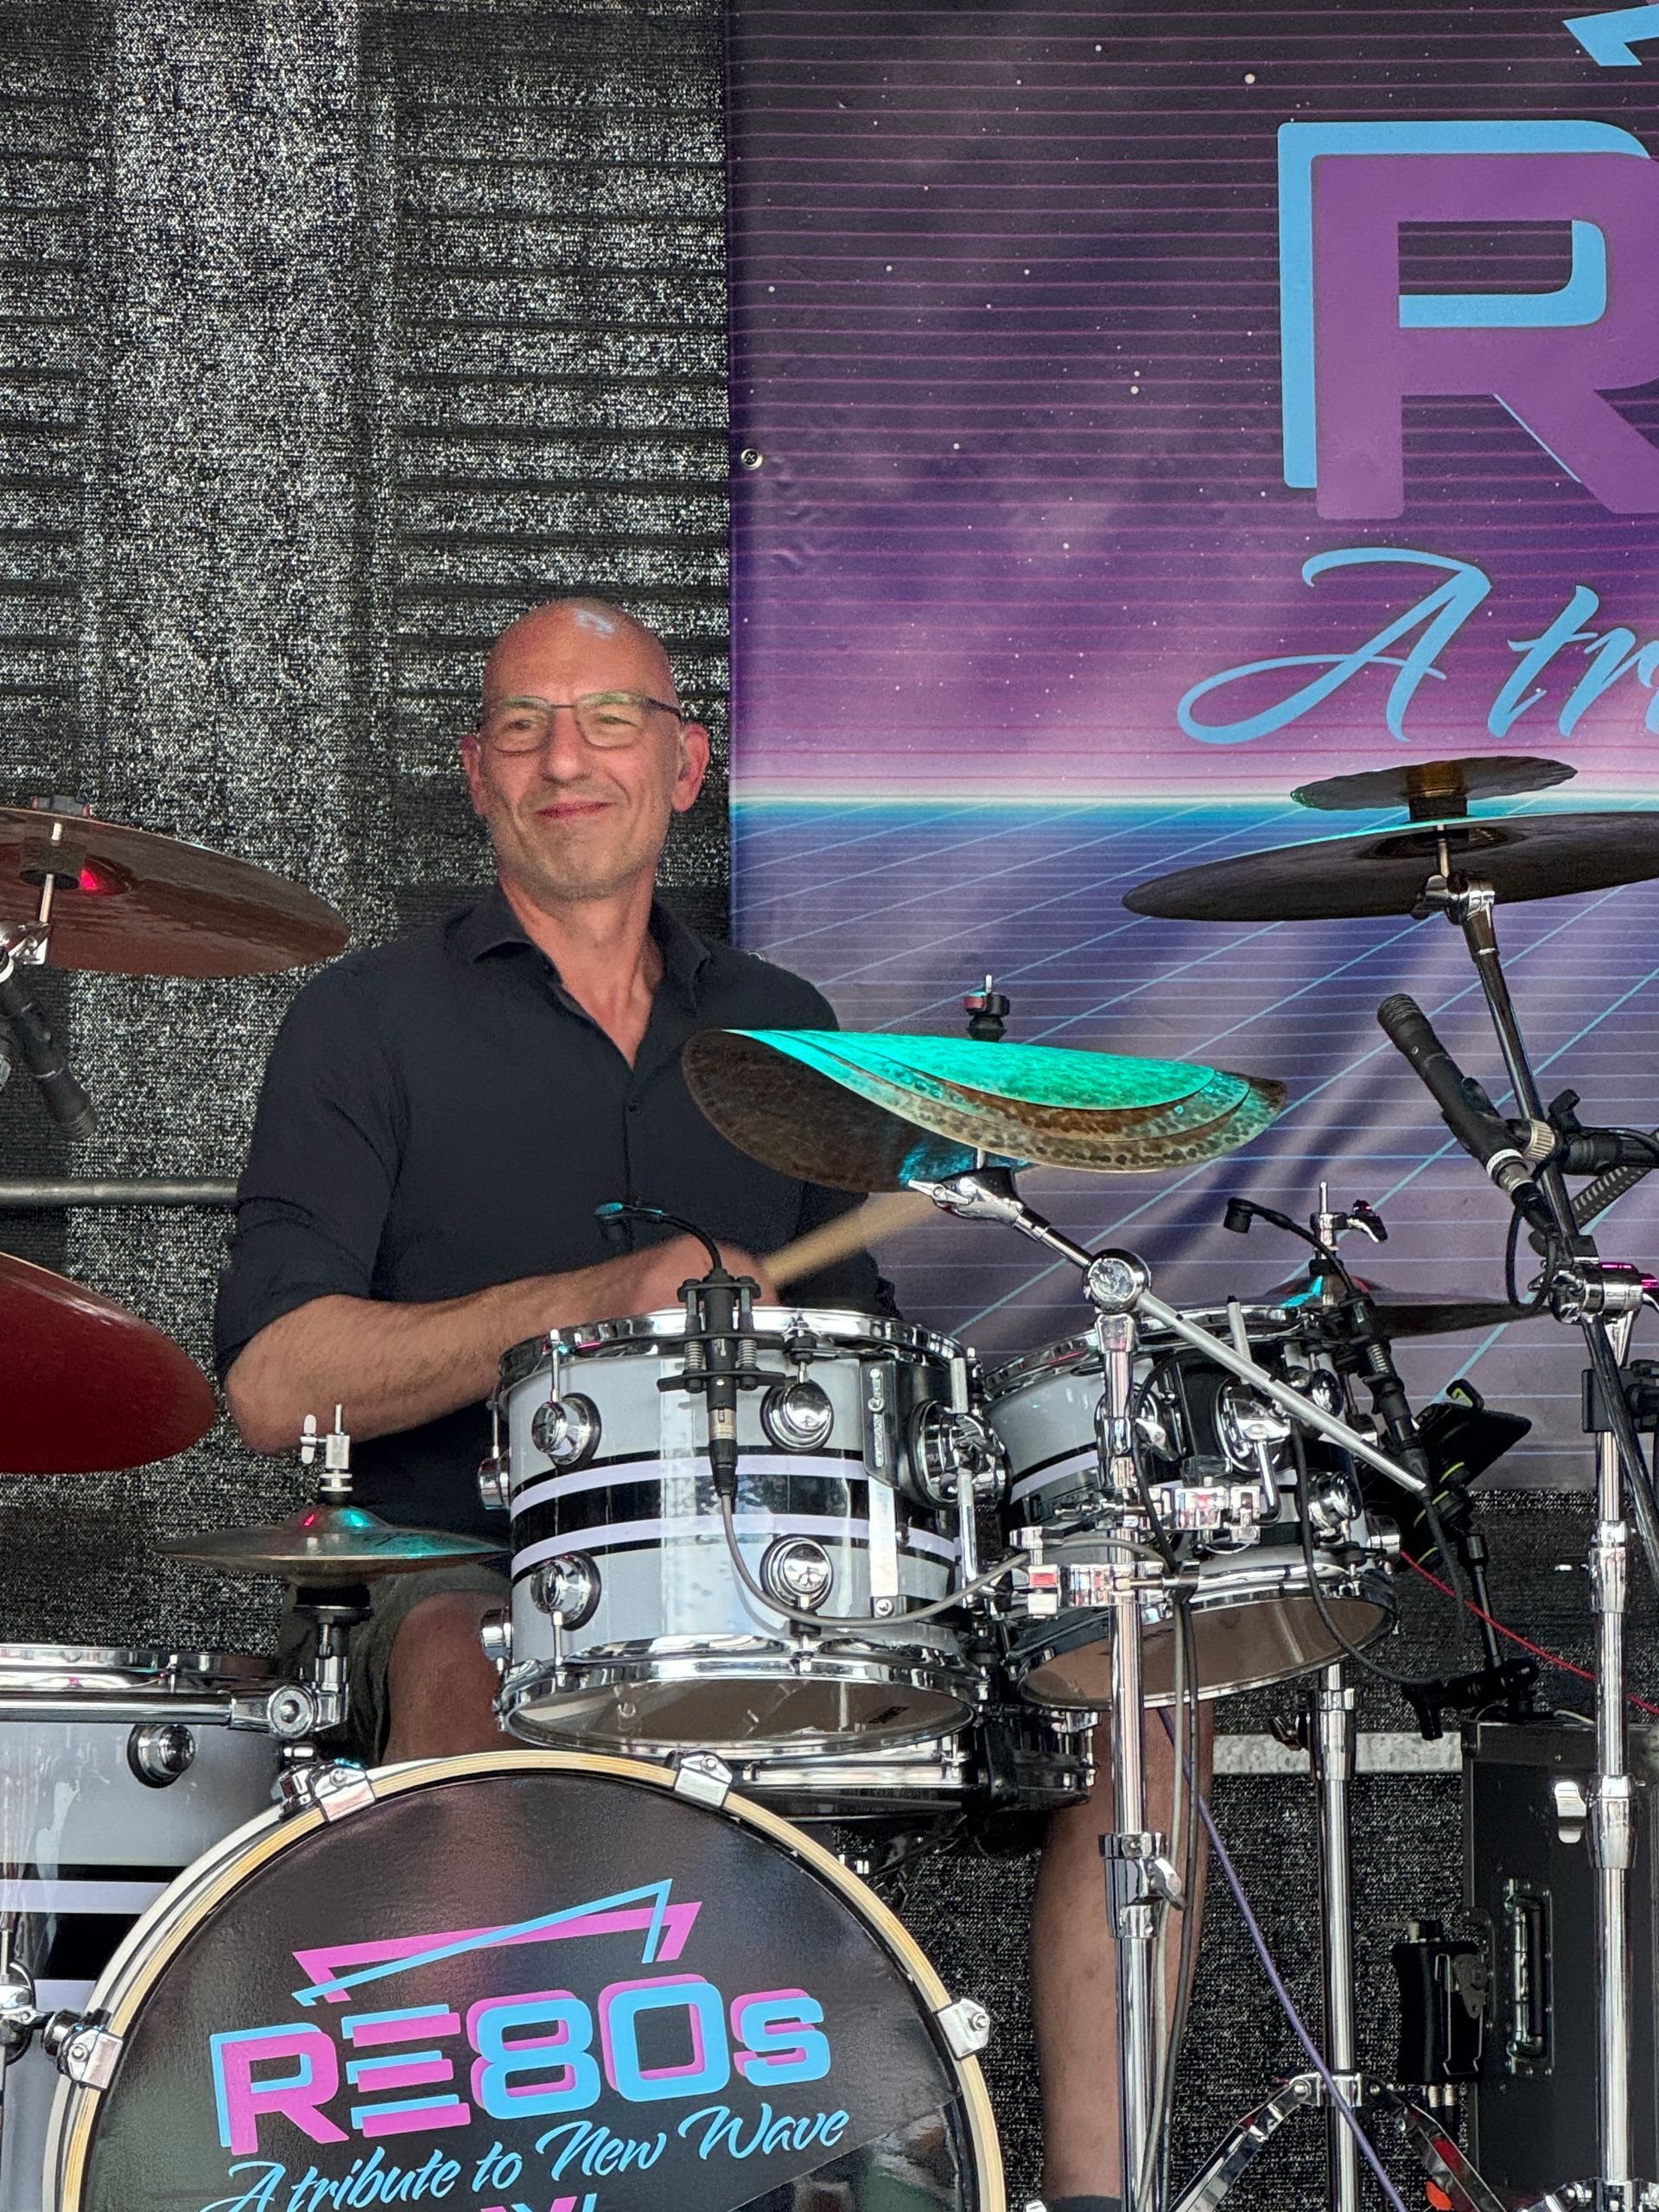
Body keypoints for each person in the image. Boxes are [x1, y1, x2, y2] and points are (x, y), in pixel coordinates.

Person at [215, 594, 1191, 2212]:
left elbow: (862, 1358)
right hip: (471, 1568)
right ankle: (499, 2183)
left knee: (1138, 1702)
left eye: (609, 720)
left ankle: (1099, 2197)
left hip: (783, 1591)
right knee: (466, 1660)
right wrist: (597, 1298)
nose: (564, 759)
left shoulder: (785, 1028)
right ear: (475, 771)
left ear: (686, 765)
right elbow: (271, 1383)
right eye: (524, 725)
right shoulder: (365, 1021)